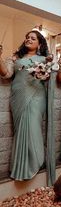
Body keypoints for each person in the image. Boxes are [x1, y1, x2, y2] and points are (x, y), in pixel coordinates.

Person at [0, 30, 49, 180]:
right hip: (18, 96)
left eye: (33, 38)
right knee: (20, 130)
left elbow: (49, 78)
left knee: (33, 127)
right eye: (27, 37)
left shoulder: (45, 59)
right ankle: (19, 165)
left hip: (36, 95)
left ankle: (36, 161)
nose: (28, 39)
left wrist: (44, 74)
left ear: (39, 43)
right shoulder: (16, 58)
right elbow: (6, 74)